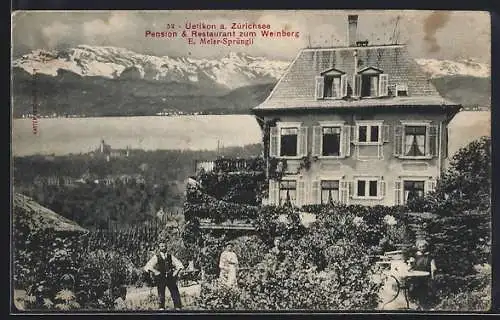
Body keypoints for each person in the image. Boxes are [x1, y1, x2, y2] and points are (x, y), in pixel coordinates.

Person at [143, 242, 184, 310]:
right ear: (159, 248)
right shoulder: (156, 256)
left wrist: (176, 272)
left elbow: (179, 265)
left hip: (170, 277)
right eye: (161, 246)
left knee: (175, 292)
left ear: (166, 247)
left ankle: (177, 307)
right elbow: (147, 266)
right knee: (161, 293)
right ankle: (161, 308)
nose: (163, 247)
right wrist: (155, 271)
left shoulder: (170, 256)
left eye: (164, 246)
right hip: (161, 277)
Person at [407, 239, 437, 310]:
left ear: (426, 247)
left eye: (423, 246)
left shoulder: (429, 256)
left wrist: (433, 275)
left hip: (426, 277)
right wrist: (410, 265)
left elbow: (433, 266)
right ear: (418, 247)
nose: (422, 248)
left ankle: (424, 305)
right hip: (416, 276)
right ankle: (419, 304)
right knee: (415, 288)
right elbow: (411, 266)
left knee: (424, 290)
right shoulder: (415, 256)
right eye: (420, 247)